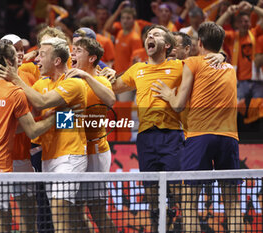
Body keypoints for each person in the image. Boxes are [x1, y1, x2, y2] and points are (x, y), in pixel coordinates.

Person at [151, 21, 243, 233]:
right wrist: (223, 56)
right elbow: (218, 60)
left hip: (200, 136)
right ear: (220, 45)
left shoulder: (192, 63)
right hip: (229, 137)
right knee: (232, 201)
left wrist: (168, 95)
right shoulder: (230, 68)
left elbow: (178, 105)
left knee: (189, 203)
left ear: (199, 42)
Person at [0, 37, 88, 233]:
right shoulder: (41, 84)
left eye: (42, 55)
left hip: (70, 155)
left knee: (60, 214)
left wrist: (16, 78)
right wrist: (2, 129)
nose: (37, 60)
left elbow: (43, 102)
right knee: (70, 217)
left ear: (57, 61)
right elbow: (32, 119)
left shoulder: (74, 84)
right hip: (48, 158)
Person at [0, 39, 55, 233]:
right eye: (14, 54)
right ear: (8, 62)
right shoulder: (15, 93)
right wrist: (56, 119)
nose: (19, 57)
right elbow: (32, 130)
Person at [109, 25, 182, 232]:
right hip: (145, 137)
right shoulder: (137, 69)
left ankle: (179, 226)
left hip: (172, 135)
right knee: (152, 197)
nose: (150, 36)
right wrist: (103, 72)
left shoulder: (179, 66)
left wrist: (220, 55)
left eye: (156, 34)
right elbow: (113, 87)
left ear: (167, 45)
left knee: (177, 193)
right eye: (148, 35)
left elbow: (202, 67)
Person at [70, 37, 117, 233]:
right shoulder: (69, 80)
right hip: (75, 151)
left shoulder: (101, 80)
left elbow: (111, 100)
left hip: (96, 152)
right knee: (74, 211)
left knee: (97, 211)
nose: (73, 53)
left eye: (78, 50)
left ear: (92, 58)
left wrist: (87, 77)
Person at [1, 33, 38, 233]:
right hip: (0, 158)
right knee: (2, 214)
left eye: (23, 49)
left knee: (27, 211)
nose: (21, 53)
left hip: (23, 156)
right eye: (16, 50)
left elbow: (39, 106)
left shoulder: (29, 74)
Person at [216, 1, 263, 102]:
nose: (243, 24)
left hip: (257, 81)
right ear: (236, 24)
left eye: (246, 21)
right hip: (239, 82)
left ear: (250, 23)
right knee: (239, 113)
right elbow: (216, 29)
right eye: (241, 21)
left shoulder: (254, 33)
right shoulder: (232, 36)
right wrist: (228, 12)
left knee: (257, 113)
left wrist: (252, 7)